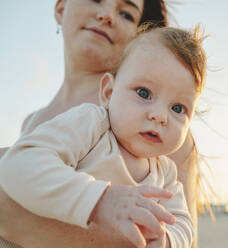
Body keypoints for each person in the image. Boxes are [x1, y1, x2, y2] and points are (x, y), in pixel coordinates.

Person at [0, 0, 201, 247]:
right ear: (61, 7)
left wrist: (168, 239)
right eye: (144, 93)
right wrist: (99, 200)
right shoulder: (40, 122)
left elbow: (182, 225)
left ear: (137, 35)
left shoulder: (160, 147)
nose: (107, 15)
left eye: (126, 14)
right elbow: (19, 172)